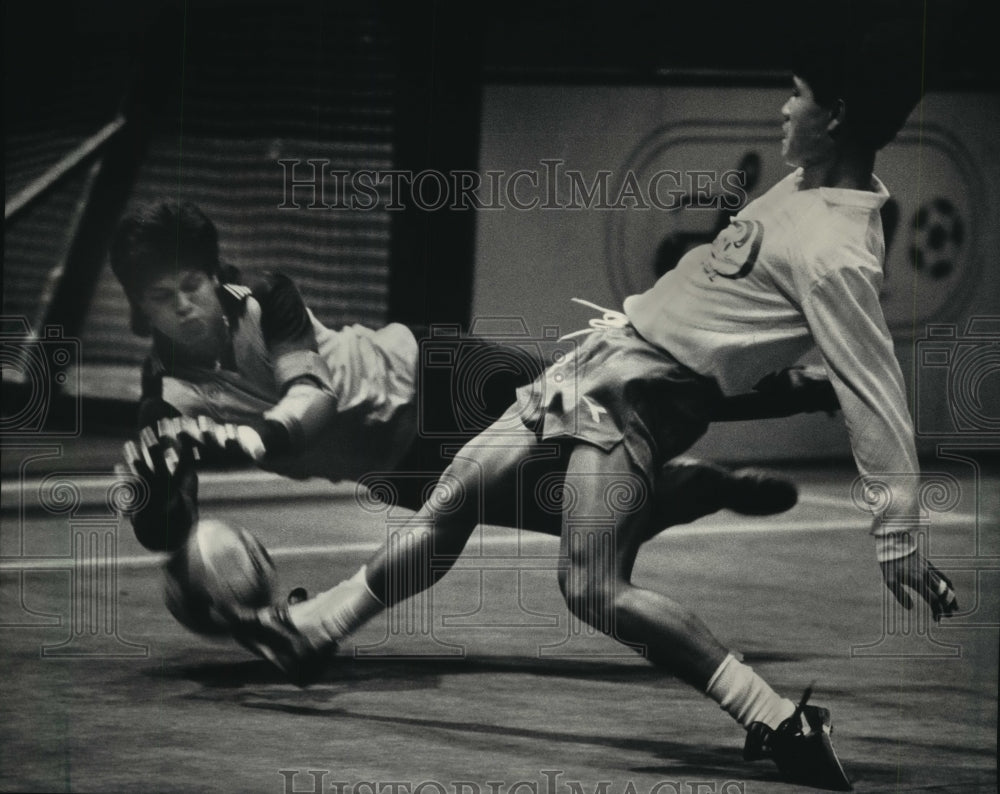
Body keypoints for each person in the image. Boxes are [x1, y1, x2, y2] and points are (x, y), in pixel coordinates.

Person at [228, 14, 961, 791]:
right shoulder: (812, 180)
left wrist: (897, 530)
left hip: (635, 407)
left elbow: (873, 387)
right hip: (596, 368)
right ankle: (316, 630)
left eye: (797, 96)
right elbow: (736, 319)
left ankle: (777, 719)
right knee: (454, 496)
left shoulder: (836, 251)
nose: (783, 110)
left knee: (592, 589)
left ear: (836, 117)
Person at [113, 201, 836, 554]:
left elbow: (313, 401)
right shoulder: (167, 401)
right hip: (406, 470)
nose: (181, 306)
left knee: (621, 388)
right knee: (594, 522)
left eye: (190, 285)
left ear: (215, 276)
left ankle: (787, 390)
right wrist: (152, 495)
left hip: (440, 376)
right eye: (159, 296)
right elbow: (163, 530)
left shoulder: (266, 300)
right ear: (138, 307)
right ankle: (704, 487)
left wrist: (237, 442)